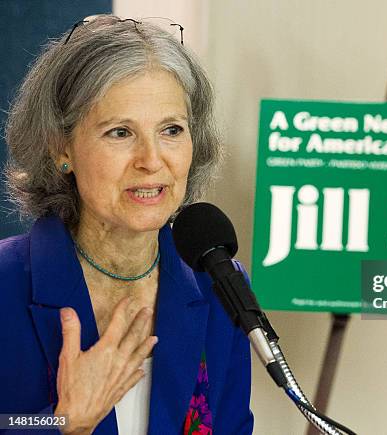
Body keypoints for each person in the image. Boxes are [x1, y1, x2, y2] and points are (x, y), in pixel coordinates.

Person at [0, 15, 253, 435]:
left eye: (171, 129)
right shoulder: (6, 283)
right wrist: (62, 422)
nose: (152, 160)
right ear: (61, 149)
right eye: (120, 132)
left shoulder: (219, 286)